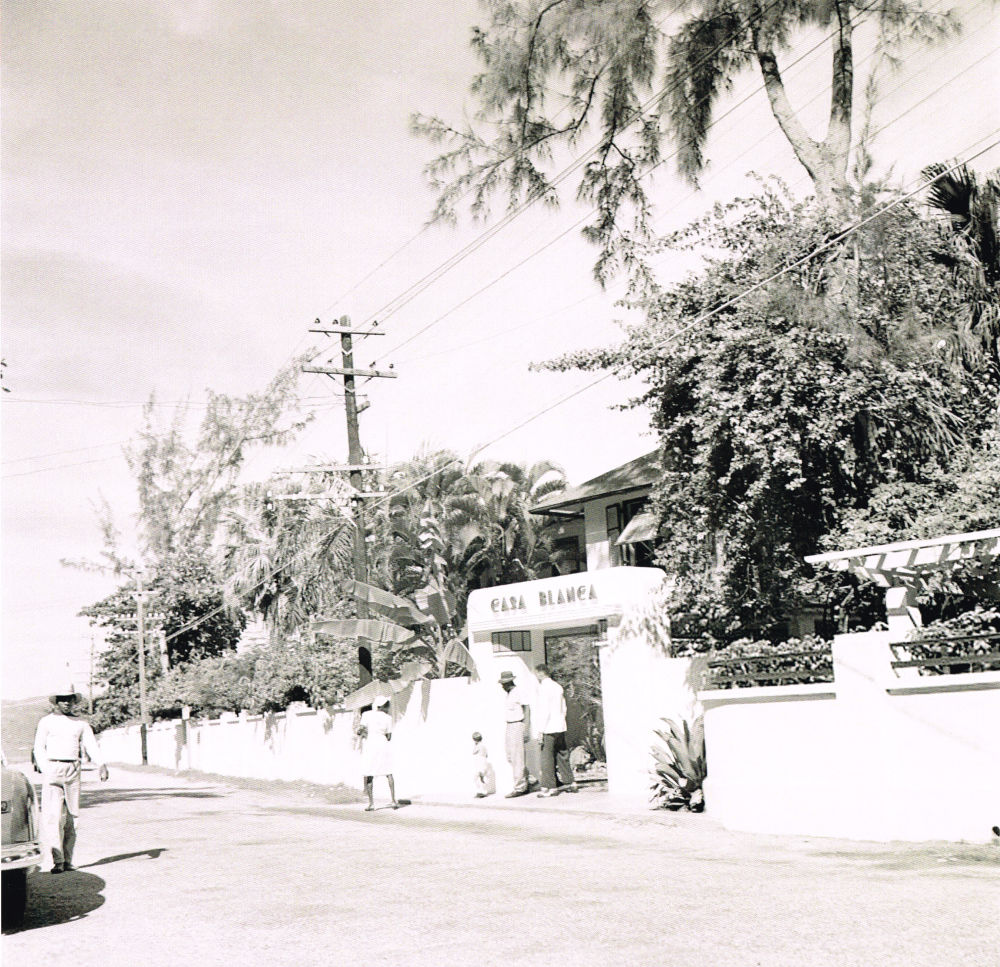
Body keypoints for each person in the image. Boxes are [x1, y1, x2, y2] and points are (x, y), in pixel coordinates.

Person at [33, 688, 109, 873]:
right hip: (53, 767)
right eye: (63, 699)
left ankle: (68, 860)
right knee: (53, 816)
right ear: (56, 701)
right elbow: (39, 747)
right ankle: (57, 860)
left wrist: (101, 764)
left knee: (72, 817)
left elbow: (90, 744)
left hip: (74, 768)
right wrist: (46, 769)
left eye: (70, 700)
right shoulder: (46, 722)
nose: (67, 703)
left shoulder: (80, 724)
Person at [533, 664, 577, 798]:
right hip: (560, 726)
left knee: (547, 758)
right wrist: (561, 721)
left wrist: (540, 730)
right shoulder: (558, 687)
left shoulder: (543, 688)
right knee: (562, 754)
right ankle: (570, 782)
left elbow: (544, 710)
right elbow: (563, 707)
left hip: (548, 728)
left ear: (541, 673)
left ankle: (549, 787)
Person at [358, 695, 399, 811]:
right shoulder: (388, 718)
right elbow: (389, 736)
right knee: (388, 772)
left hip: (371, 744)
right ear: (383, 706)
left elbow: (361, 729)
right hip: (383, 744)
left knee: (369, 772)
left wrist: (360, 733)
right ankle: (393, 800)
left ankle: (371, 804)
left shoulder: (366, 714)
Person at [499, 670, 535, 798]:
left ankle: (520, 787)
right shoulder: (509, 694)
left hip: (517, 724)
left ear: (509, 683)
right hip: (509, 724)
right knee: (510, 756)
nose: (502, 686)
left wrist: (526, 728)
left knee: (517, 757)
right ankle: (530, 780)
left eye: (504, 684)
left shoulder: (518, 692)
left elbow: (527, 709)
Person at [471, 732, 495, 799]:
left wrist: (475, 745)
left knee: (478, 777)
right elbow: (486, 755)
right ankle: (482, 791)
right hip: (483, 761)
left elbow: (473, 752)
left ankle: (481, 792)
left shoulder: (479, 746)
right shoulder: (484, 746)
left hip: (480, 762)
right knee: (481, 777)